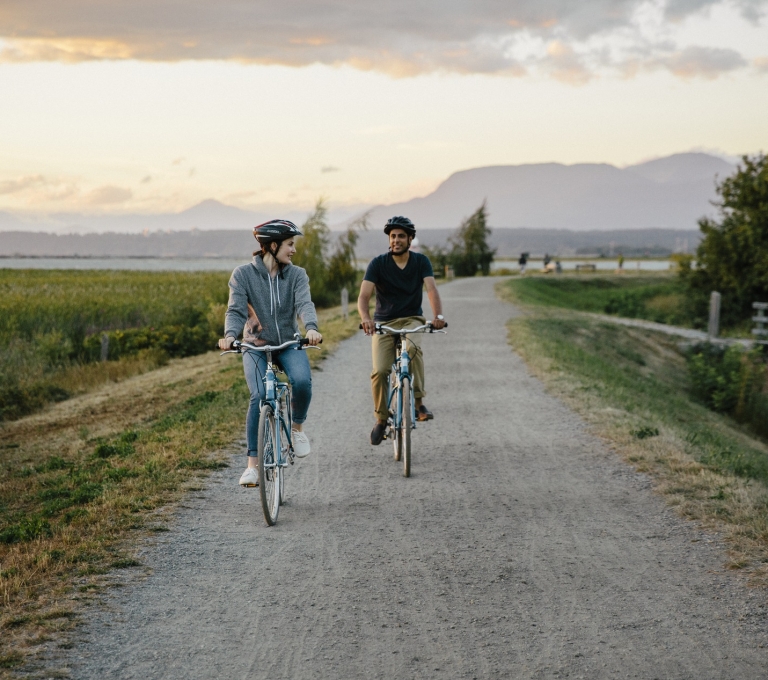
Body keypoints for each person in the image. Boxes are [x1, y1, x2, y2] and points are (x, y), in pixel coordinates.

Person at [219, 220, 322, 487]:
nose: (294, 250)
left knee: (301, 381)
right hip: (254, 346)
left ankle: (297, 429)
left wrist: (311, 328)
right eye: (290, 244)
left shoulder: (297, 275)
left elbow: (304, 303)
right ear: (273, 246)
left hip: (287, 343)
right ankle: (252, 465)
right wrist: (230, 336)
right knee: (259, 396)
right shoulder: (242, 275)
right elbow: (236, 310)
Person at [357, 216, 446, 445]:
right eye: (393, 236)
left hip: (412, 320)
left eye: (401, 236)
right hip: (383, 323)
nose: (396, 240)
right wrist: (366, 319)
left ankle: (418, 404)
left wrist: (438, 317)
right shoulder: (378, 264)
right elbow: (364, 296)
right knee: (380, 370)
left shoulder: (421, 262)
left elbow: (432, 289)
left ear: (410, 239)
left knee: (413, 349)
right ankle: (381, 419)